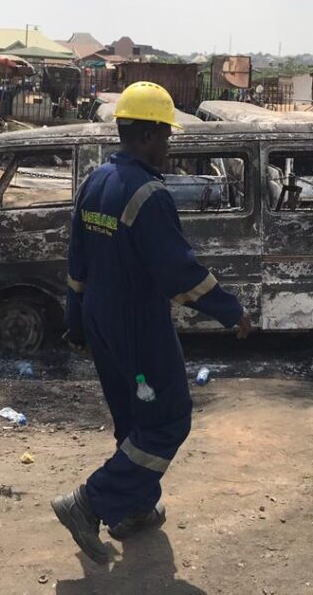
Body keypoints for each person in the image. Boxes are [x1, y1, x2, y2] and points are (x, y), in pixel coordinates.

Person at [51, 81, 252, 564]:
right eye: (165, 135)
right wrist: (231, 311)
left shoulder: (94, 183)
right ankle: (91, 502)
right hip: (138, 328)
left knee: (134, 420)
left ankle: (132, 509)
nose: (168, 145)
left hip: (102, 322)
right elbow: (178, 273)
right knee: (167, 420)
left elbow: (76, 268)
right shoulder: (150, 195)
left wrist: (76, 326)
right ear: (144, 135)